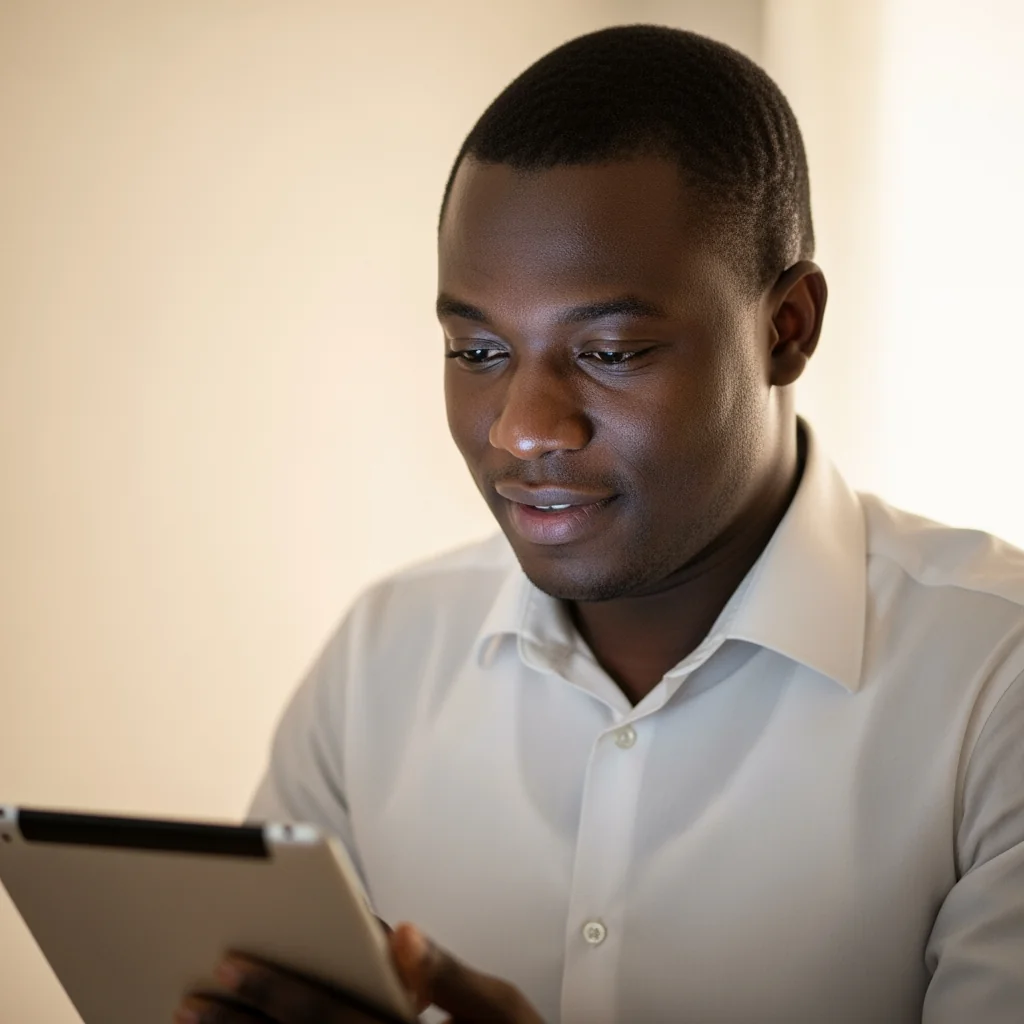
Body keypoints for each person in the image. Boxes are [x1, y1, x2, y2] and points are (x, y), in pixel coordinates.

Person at [175, 24, 1024, 1024]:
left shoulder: (992, 683)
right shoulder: (379, 661)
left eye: (613, 352)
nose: (524, 430)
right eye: (478, 351)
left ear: (785, 329)